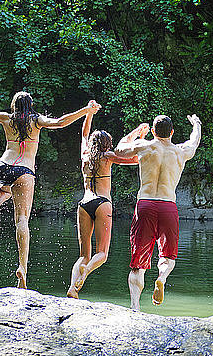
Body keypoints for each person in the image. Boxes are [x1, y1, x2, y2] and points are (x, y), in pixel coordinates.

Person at [0, 92, 101, 289]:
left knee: (3, 187)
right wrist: (86, 110)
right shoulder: (36, 121)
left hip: (1, 167)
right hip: (24, 172)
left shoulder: (6, 118)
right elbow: (60, 122)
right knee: (22, 220)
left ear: (14, 105)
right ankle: (22, 268)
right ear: (31, 105)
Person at [116, 114, 202, 310]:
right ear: (172, 132)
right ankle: (161, 277)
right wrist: (196, 123)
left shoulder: (144, 146)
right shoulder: (181, 151)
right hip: (167, 206)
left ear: (153, 132)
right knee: (168, 257)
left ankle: (135, 307)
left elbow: (120, 150)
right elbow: (194, 141)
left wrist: (136, 132)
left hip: (145, 204)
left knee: (138, 263)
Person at [66, 110, 148, 299]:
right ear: (107, 144)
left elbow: (85, 133)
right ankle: (86, 271)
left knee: (83, 255)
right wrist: (139, 135)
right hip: (103, 203)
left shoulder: (85, 156)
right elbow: (135, 159)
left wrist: (89, 113)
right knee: (101, 254)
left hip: (84, 203)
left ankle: (73, 288)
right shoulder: (108, 156)